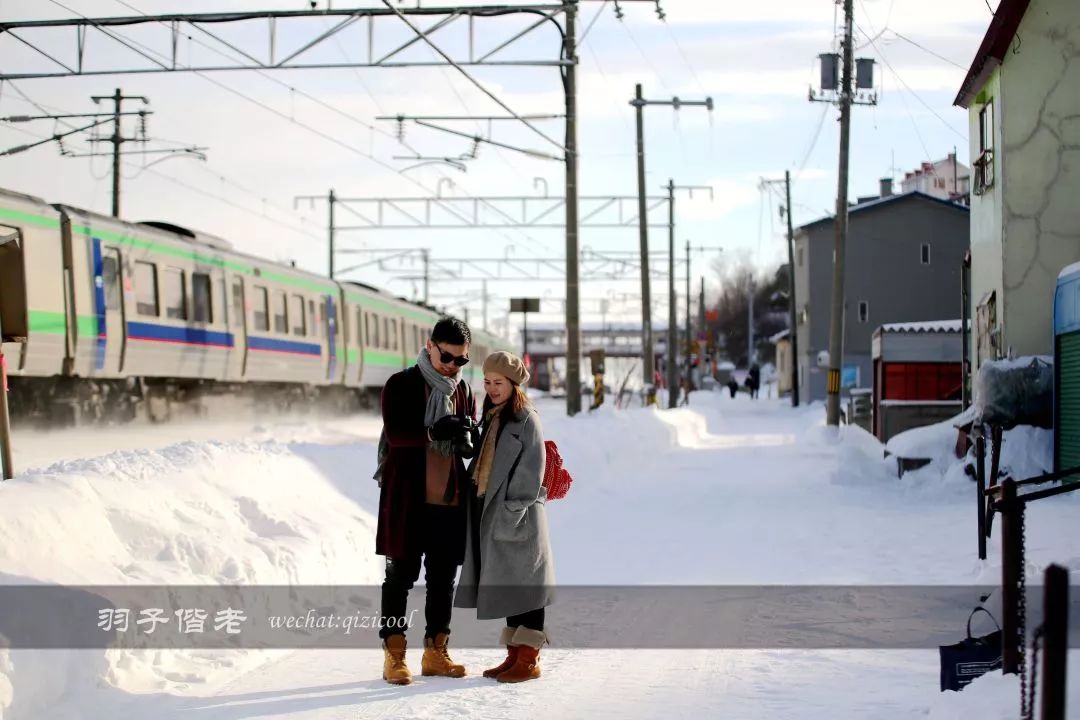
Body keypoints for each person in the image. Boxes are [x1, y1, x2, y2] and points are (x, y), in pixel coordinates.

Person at [376, 316, 479, 685]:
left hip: (448, 498)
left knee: (442, 579)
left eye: (460, 360)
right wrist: (434, 430)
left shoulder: (463, 390)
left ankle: (436, 652)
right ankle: (394, 655)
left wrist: (470, 438)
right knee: (399, 577)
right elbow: (397, 433)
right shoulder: (401, 384)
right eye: (446, 357)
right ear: (429, 345)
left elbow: (468, 432)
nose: (452, 366)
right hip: (408, 497)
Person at [455, 351, 555, 684]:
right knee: (510, 584)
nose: (492, 388)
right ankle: (514, 654)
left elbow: (532, 470)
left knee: (526, 587)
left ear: (513, 384)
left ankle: (529, 658)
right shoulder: (495, 414)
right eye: (487, 382)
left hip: (517, 516)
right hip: (494, 513)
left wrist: (513, 509)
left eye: (498, 383)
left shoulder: (526, 418)